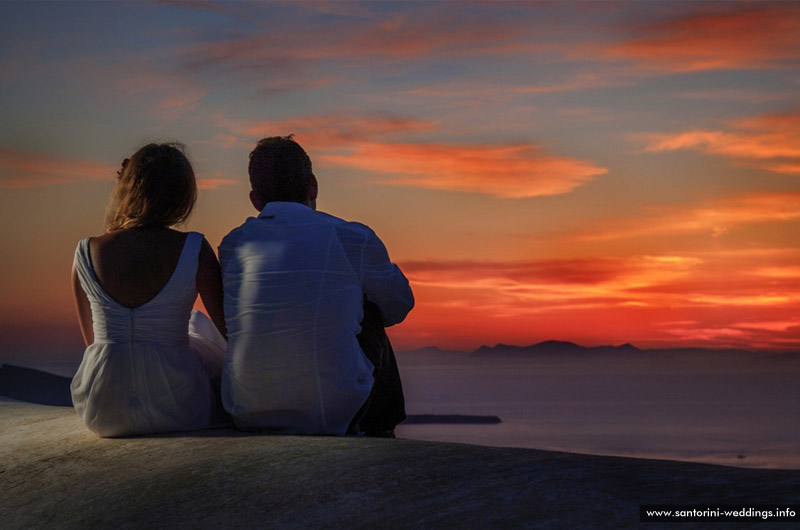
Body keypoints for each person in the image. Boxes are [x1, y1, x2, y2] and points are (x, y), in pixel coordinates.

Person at [219, 135, 414, 436]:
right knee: (371, 307)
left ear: (255, 200)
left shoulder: (233, 245)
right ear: (313, 185)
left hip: (247, 411)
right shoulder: (350, 237)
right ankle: (382, 434)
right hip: (333, 414)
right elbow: (399, 305)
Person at [71, 143, 227, 437]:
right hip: (178, 406)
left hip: (103, 409)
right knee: (202, 330)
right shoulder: (194, 248)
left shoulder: (86, 251)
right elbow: (227, 330)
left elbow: (93, 345)